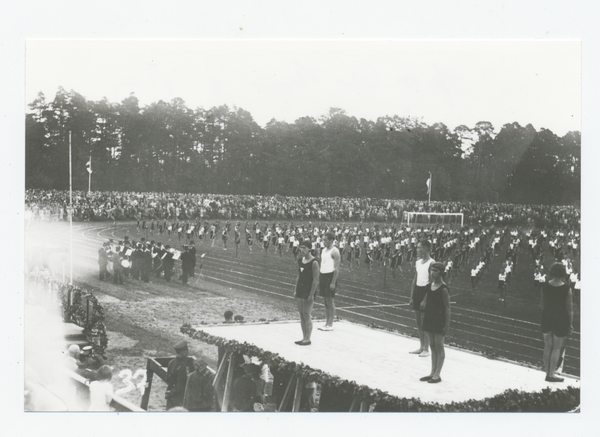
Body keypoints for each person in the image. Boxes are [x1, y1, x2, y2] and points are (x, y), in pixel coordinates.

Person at [541, 263, 574, 382]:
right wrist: (570, 324)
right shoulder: (567, 289)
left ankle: (547, 373)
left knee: (547, 346)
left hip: (547, 317)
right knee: (556, 348)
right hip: (560, 319)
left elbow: (543, 304)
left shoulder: (545, 286)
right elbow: (569, 309)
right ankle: (551, 374)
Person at [419, 262, 451, 384]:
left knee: (439, 346)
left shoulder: (443, 289)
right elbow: (427, 298)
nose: (432, 273)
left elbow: (447, 308)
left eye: (435, 271)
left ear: (441, 273)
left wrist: (446, 325)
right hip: (429, 318)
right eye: (431, 270)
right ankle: (432, 372)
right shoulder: (430, 286)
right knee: (432, 345)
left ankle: (438, 374)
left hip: (439, 320)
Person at [409, 240, 435, 357]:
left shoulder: (431, 263)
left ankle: (426, 348)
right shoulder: (418, 262)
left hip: (426, 292)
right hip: (418, 291)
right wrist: (412, 296)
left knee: (425, 322)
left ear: (425, 249)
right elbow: (415, 280)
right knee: (419, 322)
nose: (417, 249)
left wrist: (425, 299)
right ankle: (421, 346)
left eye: (419, 248)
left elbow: (431, 282)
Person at [294, 240, 320, 345]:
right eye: (301, 247)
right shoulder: (300, 260)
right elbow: (298, 276)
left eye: (304, 248)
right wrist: (295, 290)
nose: (302, 250)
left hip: (308, 290)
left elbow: (315, 280)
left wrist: (311, 294)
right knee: (301, 314)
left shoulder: (314, 262)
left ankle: (308, 338)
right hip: (300, 289)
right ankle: (303, 337)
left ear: (309, 249)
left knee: (306, 314)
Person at [317, 232, 340, 331]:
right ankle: (326, 322)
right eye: (323, 240)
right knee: (325, 301)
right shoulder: (323, 250)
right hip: (323, 275)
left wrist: (333, 282)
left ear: (331, 240)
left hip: (330, 277)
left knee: (330, 301)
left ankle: (330, 324)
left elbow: (336, 268)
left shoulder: (335, 251)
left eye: (325, 240)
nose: (324, 242)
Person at [166, 341, 195, 410]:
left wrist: (171, 391)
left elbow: (167, 379)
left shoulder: (171, 362)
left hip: (170, 394)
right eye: (185, 351)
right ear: (181, 352)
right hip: (180, 396)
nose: (187, 352)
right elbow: (182, 383)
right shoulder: (185, 365)